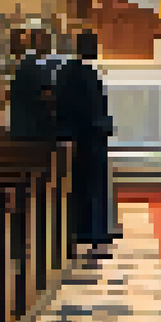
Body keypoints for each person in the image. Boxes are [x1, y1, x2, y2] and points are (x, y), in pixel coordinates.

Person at [55, 30, 116, 244]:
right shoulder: (88, 74)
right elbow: (94, 109)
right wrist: (105, 126)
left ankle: (80, 229)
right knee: (93, 185)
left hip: (73, 136)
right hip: (90, 138)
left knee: (79, 186)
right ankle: (94, 230)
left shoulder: (65, 71)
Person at [8, 31, 55, 141]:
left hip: (33, 128)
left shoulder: (48, 63)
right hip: (31, 129)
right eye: (43, 41)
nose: (47, 44)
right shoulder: (26, 65)